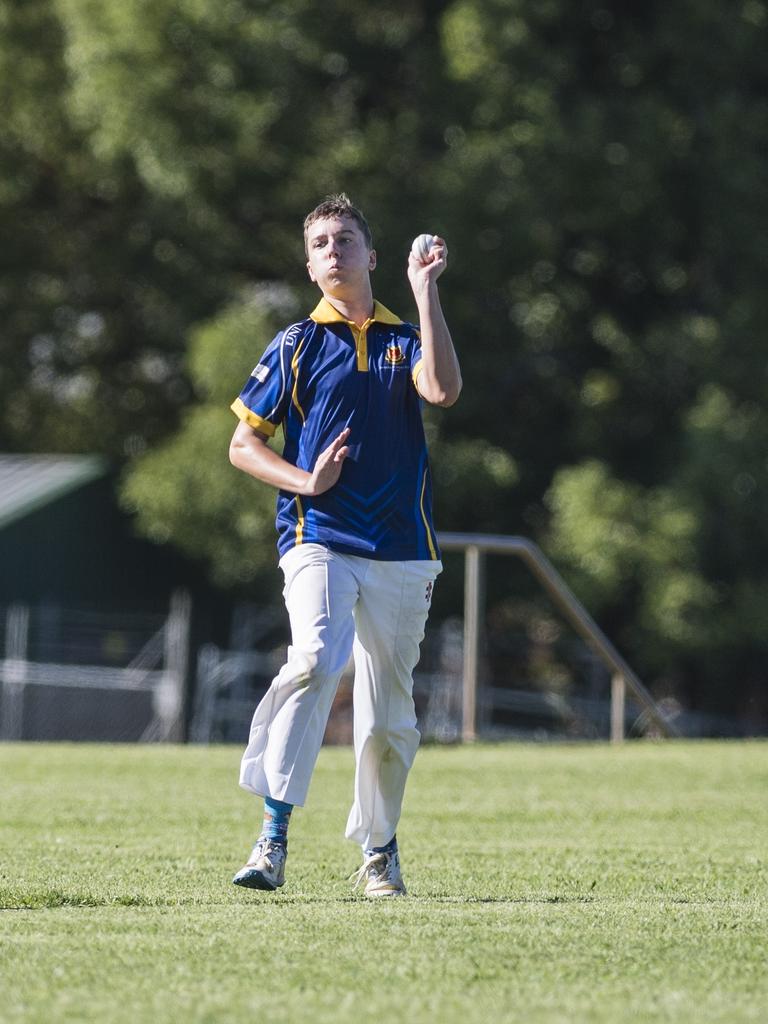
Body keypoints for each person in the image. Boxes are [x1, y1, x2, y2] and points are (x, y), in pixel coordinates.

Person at [228, 194, 461, 897]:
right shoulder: (296, 343)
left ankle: (379, 852)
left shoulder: (405, 336)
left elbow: (443, 390)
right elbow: (243, 444)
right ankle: (272, 838)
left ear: (371, 256)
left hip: (401, 547)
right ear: (309, 266)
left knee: (389, 710)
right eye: (322, 243)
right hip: (318, 535)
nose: (334, 250)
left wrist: (426, 294)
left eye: (347, 239)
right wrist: (306, 478)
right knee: (316, 656)